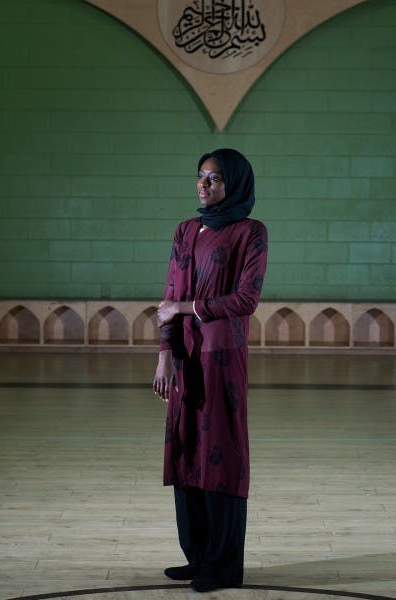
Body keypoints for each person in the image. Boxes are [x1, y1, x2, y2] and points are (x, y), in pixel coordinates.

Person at [152, 148, 268, 593]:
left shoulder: (250, 232)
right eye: (200, 176)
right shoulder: (185, 230)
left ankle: (222, 566)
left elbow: (245, 301)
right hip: (184, 359)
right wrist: (165, 354)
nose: (204, 185)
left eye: (215, 179)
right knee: (186, 454)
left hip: (221, 359)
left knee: (220, 456)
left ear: (234, 184)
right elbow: (168, 296)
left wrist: (186, 307)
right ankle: (197, 557)